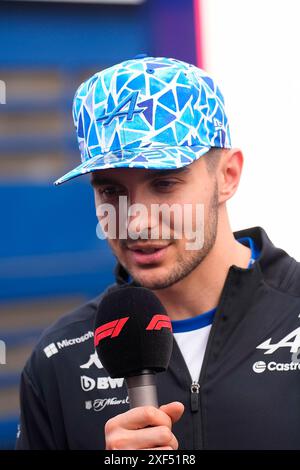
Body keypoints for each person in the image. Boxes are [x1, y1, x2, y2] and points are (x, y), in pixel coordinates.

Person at [16, 56, 300, 450]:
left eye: (165, 183)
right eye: (110, 190)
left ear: (227, 176)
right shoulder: (58, 359)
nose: (135, 223)